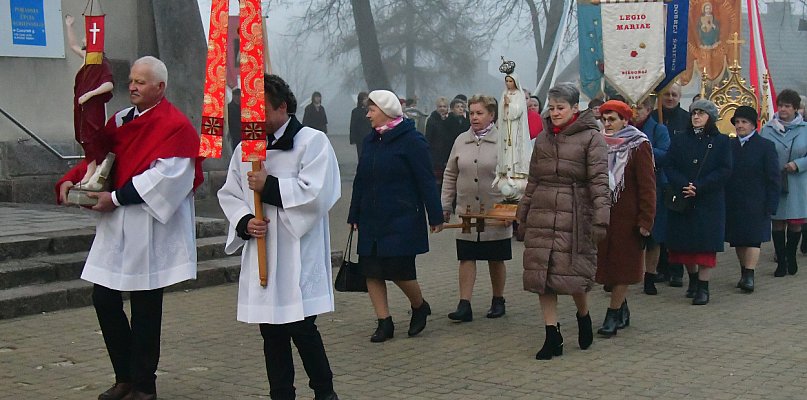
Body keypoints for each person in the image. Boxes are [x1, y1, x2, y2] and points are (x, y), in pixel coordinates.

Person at [55, 56, 203, 400]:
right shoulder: (120, 119)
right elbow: (102, 158)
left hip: (149, 227)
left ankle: (143, 385)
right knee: (103, 298)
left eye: (140, 81)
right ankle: (124, 376)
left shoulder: (175, 126)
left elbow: (167, 178)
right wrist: (71, 179)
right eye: (132, 81)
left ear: (160, 87)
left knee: (146, 308)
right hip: (116, 224)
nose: (132, 86)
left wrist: (117, 198)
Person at [218, 74, 340, 400]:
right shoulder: (247, 148)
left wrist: (269, 186)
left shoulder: (313, 142)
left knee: (302, 329)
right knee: (270, 332)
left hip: (298, 252)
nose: (253, 120)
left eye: (260, 112)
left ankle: (325, 393)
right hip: (264, 254)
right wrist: (245, 222)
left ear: (282, 107)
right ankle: (281, 394)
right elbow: (230, 193)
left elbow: (318, 193)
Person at [516, 83, 610, 360]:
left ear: (574, 109)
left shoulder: (593, 139)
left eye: (561, 108)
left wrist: (601, 218)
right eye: (552, 107)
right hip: (543, 211)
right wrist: (523, 211)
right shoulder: (543, 138)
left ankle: (583, 315)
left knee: (571, 274)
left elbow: (599, 181)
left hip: (575, 212)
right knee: (541, 276)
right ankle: (551, 334)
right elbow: (533, 178)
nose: (555, 112)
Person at [347, 90, 444, 343]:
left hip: (401, 217)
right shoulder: (370, 140)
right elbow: (360, 179)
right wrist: (354, 212)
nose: (367, 114)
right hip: (371, 216)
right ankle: (384, 322)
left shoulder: (412, 140)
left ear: (386, 111)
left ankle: (419, 305)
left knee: (399, 271)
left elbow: (426, 179)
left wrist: (435, 215)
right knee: (371, 270)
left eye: (372, 109)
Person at [441, 94, 512, 322]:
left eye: (479, 113)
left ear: (491, 115)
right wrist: (444, 204)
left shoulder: (504, 140)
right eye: (471, 113)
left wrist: (512, 208)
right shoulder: (461, 140)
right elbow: (450, 173)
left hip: (496, 209)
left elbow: (516, 175)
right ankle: (464, 304)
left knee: (495, 257)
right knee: (467, 257)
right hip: (467, 209)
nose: (474, 117)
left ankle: (498, 299)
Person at [594, 100, 656, 337]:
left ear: (625, 120)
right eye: (604, 119)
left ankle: (611, 314)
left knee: (622, 268)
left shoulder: (639, 145)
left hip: (626, 218)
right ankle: (621, 307)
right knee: (607, 271)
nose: (607, 124)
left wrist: (645, 220)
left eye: (612, 119)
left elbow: (647, 186)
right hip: (602, 215)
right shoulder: (598, 143)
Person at [664, 99, 732, 305]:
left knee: (705, 246)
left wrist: (700, 186)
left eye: (701, 113)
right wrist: (684, 184)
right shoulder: (680, 138)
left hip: (708, 200)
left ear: (710, 117)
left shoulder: (721, 141)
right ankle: (692, 280)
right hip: (684, 198)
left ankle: (703, 287)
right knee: (685, 245)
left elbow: (725, 169)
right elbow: (669, 165)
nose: (696, 117)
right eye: (694, 113)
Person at [725, 106, 780, 292]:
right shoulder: (729, 146)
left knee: (753, 239)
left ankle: (750, 275)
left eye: (744, 122)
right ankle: (744, 271)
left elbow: (773, 177)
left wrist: (772, 203)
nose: (740, 126)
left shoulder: (765, 146)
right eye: (737, 122)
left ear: (752, 125)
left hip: (757, 200)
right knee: (739, 239)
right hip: (734, 200)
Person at [759, 89, 807, 277]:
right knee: (777, 222)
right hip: (775, 180)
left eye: (787, 106)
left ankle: (791, 255)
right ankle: (780, 261)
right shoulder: (768, 129)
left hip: (797, 182)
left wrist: (799, 164)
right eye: (781, 106)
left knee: (795, 222)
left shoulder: (804, 129)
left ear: (796, 108)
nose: (783, 109)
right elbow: (761, 152)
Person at [65, 14, 114, 188]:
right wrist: (69, 25)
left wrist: (90, 95)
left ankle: (95, 168)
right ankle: (91, 167)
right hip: (81, 106)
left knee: (92, 135)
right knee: (82, 135)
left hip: (92, 106)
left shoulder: (100, 61)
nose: (84, 38)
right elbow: (73, 45)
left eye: (87, 36)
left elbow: (108, 84)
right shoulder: (87, 57)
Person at [631, 96, 671, 295]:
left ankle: (650, 276)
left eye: (639, 108)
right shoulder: (626, 127)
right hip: (630, 187)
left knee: (653, 236)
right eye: (633, 107)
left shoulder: (658, 129)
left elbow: (665, 153)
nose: (635, 111)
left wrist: (641, 150)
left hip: (654, 185)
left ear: (648, 110)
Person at [651, 83, 690, 286]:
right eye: (666, 94)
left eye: (674, 94)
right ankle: (661, 268)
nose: (670, 98)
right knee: (660, 228)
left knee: (677, 228)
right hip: (657, 179)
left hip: (678, 179)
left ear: (680, 96)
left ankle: (677, 271)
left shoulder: (686, 119)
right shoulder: (652, 117)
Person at [496, 73, 532, 197]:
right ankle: (506, 172)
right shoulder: (504, 94)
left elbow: (518, 111)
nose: (508, 83)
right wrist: (504, 105)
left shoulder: (519, 94)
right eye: (506, 81)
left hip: (516, 129)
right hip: (506, 127)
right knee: (506, 150)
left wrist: (509, 105)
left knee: (515, 150)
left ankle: (516, 172)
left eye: (510, 81)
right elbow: (501, 112)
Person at [425, 97, 453, 186]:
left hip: (448, 153)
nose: (442, 108)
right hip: (435, 154)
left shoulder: (451, 120)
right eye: (440, 106)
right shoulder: (432, 120)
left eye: (444, 106)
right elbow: (428, 137)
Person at [349, 91, 371, 158]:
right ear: (360, 100)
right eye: (364, 99)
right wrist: (352, 138)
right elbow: (353, 125)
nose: (366, 101)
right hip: (360, 138)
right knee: (361, 155)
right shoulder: (356, 111)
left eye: (367, 98)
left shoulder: (371, 110)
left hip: (370, 136)